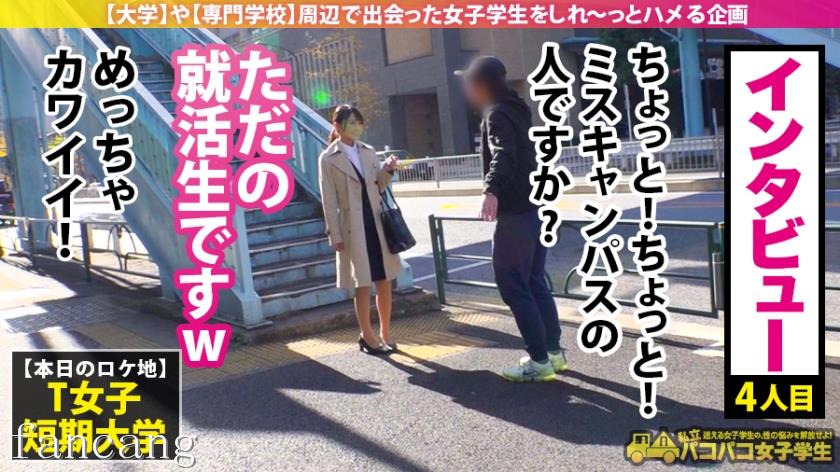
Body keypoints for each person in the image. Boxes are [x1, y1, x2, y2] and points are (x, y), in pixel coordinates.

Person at [456, 56, 567, 382]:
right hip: (534, 210)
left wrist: (490, 189)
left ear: (481, 85)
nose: (467, 89)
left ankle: (539, 361)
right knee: (534, 282)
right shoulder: (516, 110)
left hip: (515, 214)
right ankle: (553, 352)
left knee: (514, 287)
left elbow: (503, 154)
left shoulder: (496, 114)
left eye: (469, 82)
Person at [318, 104, 402, 355]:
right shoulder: (328, 158)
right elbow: (328, 200)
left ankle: (385, 333)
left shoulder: (368, 150)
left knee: (384, 280)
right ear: (337, 125)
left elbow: (379, 186)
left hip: (377, 222)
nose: (356, 127)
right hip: (352, 227)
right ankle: (367, 335)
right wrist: (335, 234)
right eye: (351, 122)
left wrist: (388, 170)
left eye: (358, 122)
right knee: (362, 283)